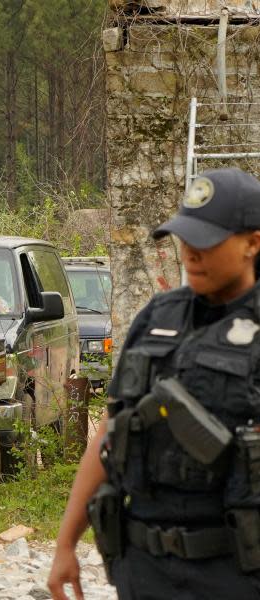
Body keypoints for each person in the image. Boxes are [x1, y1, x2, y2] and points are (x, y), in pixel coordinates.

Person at [48, 167, 260, 599]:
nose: (191, 253)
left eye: (208, 241)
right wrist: (66, 543)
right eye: (186, 239)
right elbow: (113, 430)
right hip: (144, 571)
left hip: (234, 575)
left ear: (252, 243)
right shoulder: (159, 316)